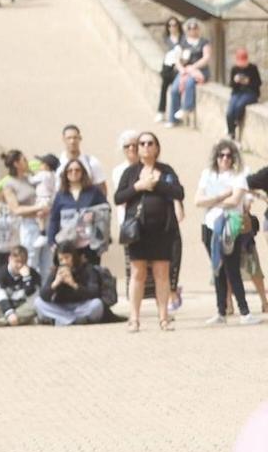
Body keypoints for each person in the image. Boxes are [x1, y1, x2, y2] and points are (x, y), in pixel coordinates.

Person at [115, 132, 185, 332]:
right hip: (139, 231)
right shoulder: (131, 172)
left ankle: (163, 317)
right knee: (138, 273)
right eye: (142, 143)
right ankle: (134, 319)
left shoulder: (166, 170)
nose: (146, 146)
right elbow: (118, 197)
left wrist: (158, 184)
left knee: (162, 273)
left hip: (162, 230)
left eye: (150, 143)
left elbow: (179, 192)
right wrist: (139, 186)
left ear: (156, 147)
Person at [197, 141, 256, 325]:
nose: (225, 159)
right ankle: (220, 311)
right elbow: (197, 200)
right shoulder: (208, 174)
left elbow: (236, 200)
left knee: (232, 269)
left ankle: (244, 311)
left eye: (229, 155)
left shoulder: (239, 175)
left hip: (231, 225)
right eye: (221, 155)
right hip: (209, 225)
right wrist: (222, 196)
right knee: (217, 269)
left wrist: (211, 201)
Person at [34, 246, 108, 326]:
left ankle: (64, 320)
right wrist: (55, 283)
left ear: (74, 257)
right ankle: (72, 320)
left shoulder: (87, 269)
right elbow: (43, 295)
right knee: (38, 302)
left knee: (97, 304)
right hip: (61, 307)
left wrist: (73, 284)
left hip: (82, 306)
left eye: (67, 258)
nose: (64, 262)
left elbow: (94, 293)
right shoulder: (56, 271)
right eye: (61, 259)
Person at [168, 18, 212, 127]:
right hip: (185, 70)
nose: (193, 30)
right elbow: (177, 58)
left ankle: (186, 108)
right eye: (190, 28)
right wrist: (182, 69)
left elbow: (206, 57)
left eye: (195, 28)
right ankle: (173, 118)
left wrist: (194, 67)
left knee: (190, 83)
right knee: (174, 89)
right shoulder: (183, 42)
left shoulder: (204, 42)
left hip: (200, 70)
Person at [0, 249, 40, 326]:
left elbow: (31, 294)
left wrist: (27, 278)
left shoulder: (32, 274)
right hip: (6, 305)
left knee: (37, 306)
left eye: (23, 262)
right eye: (17, 261)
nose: (19, 265)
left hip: (22, 305)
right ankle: (25, 320)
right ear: (10, 259)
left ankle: (0, 322)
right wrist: (9, 313)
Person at [231, 49, 262, 138]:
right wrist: (235, 81)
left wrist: (248, 82)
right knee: (231, 108)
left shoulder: (253, 68)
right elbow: (232, 86)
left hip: (251, 92)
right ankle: (231, 131)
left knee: (239, 105)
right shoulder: (235, 69)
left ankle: (236, 122)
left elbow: (258, 83)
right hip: (238, 92)